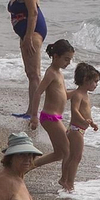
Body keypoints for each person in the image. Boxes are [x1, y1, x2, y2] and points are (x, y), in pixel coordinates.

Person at [0, 0, 47, 120]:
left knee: (34, 73)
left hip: (34, 31)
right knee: (29, 72)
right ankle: (30, 110)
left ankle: (33, 113)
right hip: (25, 32)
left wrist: (29, 37)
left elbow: (33, 13)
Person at [28, 40, 75, 186]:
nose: (68, 62)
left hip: (56, 117)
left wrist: (79, 92)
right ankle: (65, 180)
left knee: (59, 153)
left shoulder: (59, 73)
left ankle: (29, 166)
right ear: (55, 56)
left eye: (70, 60)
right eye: (66, 59)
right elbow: (38, 93)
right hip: (50, 117)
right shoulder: (51, 73)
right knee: (68, 150)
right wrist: (34, 116)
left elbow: (63, 95)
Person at [64, 62, 100, 192]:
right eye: (95, 81)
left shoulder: (85, 94)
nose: (96, 85)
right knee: (76, 157)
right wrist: (83, 120)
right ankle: (69, 182)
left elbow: (86, 113)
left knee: (71, 156)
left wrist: (91, 123)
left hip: (79, 129)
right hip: (75, 130)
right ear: (86, 80)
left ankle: (65, 179)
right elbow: (74, 111)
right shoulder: (78, 94)